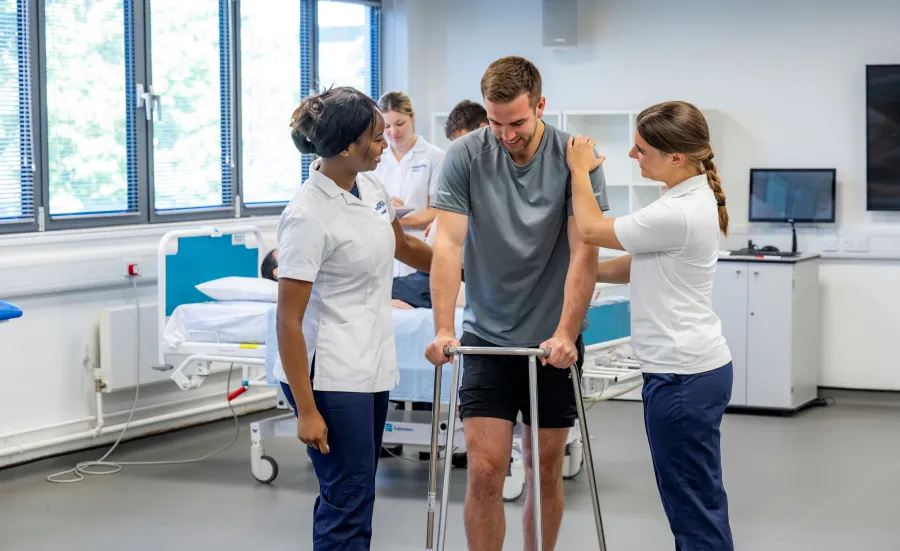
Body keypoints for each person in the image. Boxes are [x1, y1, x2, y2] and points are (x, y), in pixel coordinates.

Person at [425, 56, 609, 551]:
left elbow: (583, 250)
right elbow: (447, 246)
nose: (505, 135)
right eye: (495, 122)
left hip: (553, 340)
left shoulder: (575, 158)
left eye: (517, 124)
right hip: (487, 336)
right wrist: (445, 328)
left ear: (541, 106)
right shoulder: (465, 155)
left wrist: (568, 331)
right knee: (485, 469)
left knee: (544, 467)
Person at [565, 101, 735, 551]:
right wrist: (584, 274)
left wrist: (579, 171)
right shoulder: (680, 199)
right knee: (695, 497)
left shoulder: (677, 211)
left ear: (676, 157)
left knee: (692, 505)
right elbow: (636, 265)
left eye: (641, 149)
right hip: (693, 370)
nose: (632, 156)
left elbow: (590, 229)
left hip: (682, 376)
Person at [275, 86, 433, 551]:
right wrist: (306, 410)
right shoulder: (306, 215)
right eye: (377, 139)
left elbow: (404, 247)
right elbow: (288, 320)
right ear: (345, 147)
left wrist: (462, 268)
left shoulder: (370, 185)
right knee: (347, 499)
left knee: (356, 494)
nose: (386, 147)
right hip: (330, 376)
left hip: (370, 367)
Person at [375, 91, 446, 277]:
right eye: (387, 126)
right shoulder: (376, 158)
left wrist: (397, 219)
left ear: (412, 118)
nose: (393, 132)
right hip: (383, 248)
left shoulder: (434, 157)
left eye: (399, 124)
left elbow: (438, 211)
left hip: (419, 246)